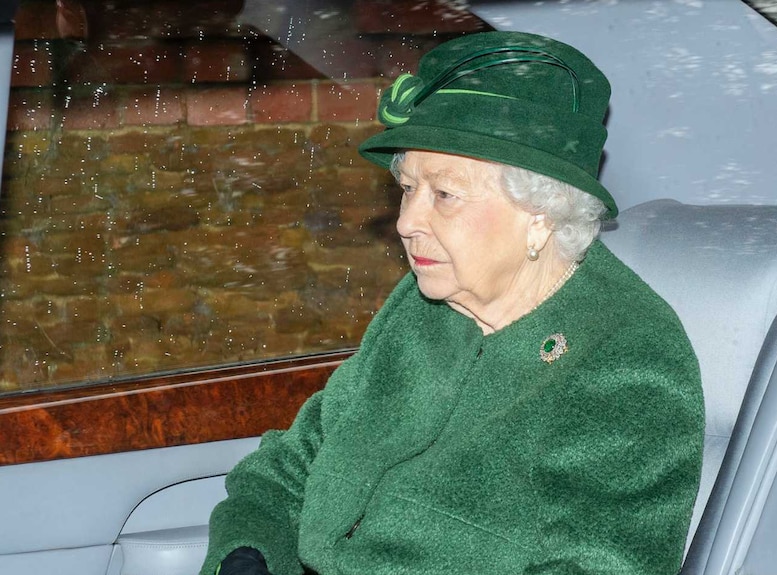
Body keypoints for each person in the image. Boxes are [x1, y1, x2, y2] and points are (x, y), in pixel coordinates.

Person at [200, 31, 704, 575]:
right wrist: (247, 554)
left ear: (540, 212)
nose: (406, 223)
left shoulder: (627, 356)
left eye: (444, 195)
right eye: (407, 189)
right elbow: (289, 466)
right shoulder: (423, 310)